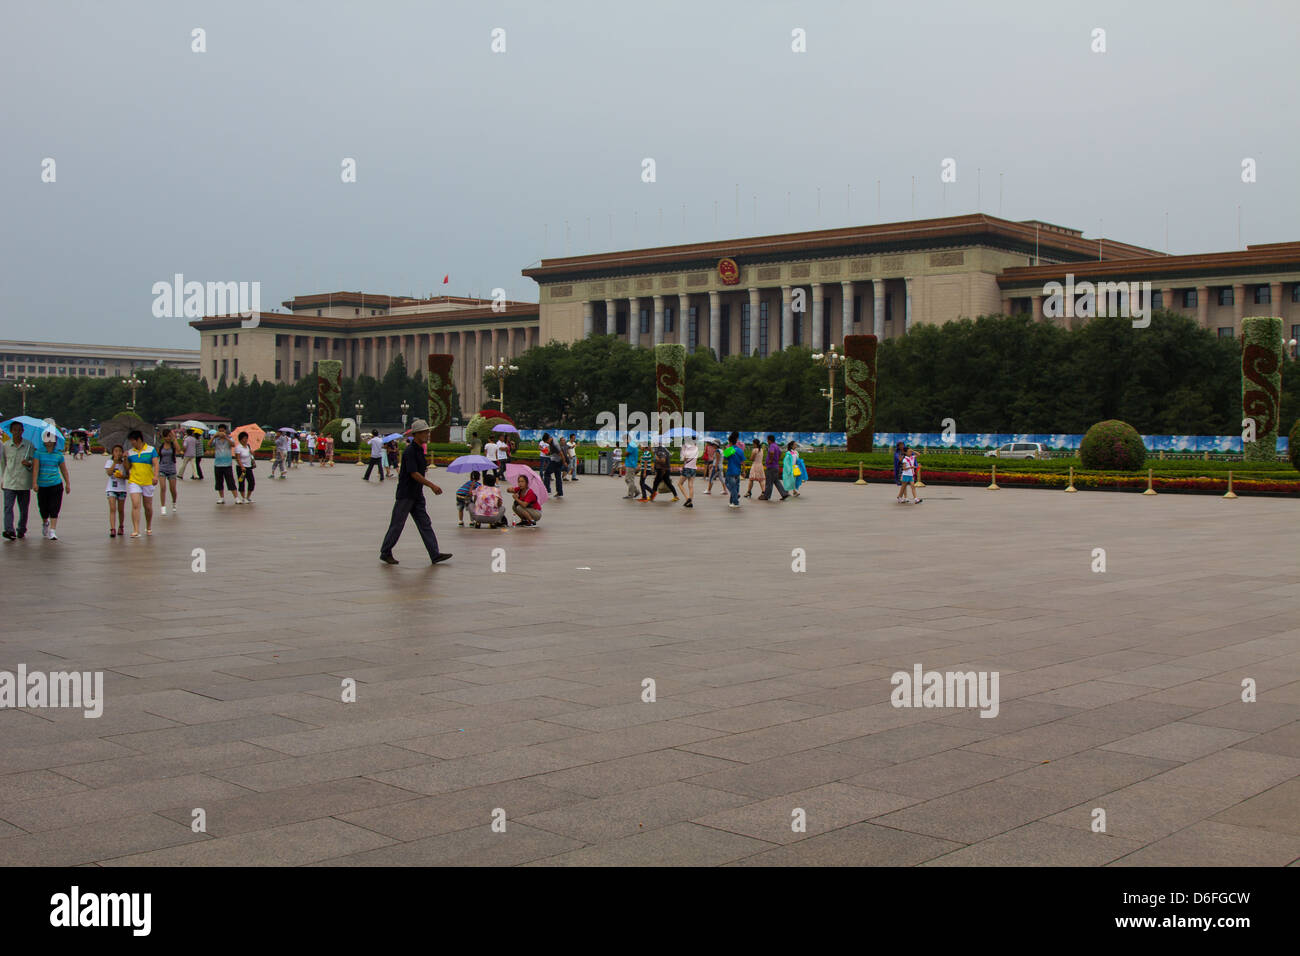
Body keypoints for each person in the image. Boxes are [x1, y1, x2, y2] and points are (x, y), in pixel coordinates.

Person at [379, 418, 451, 565]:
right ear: (416, 434)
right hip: (406, 494)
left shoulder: (419, 450)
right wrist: (431, 485)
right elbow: (414, 473)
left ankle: (434, 554)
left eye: (427, 432)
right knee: (397, 524)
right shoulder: (410, 451)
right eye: (425, 432)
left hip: (417, 494)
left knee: (425, 523)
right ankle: (385, 552)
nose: (427, 434)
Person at [0, 421, 36, 540]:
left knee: (24, 509)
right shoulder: (6, 446)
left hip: (24, 482)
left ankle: (21, 528)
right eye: (15, 430)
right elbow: (3, 463)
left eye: (19, 430)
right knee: (8, 507)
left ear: (23, 431)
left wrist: (28, 463)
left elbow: (34, 465)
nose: (17, 432)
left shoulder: (29, 446)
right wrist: (2, 478)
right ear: (11, 431)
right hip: (9, 481)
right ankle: (9, 530)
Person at [34, 428, 70, 541]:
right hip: (42, 485)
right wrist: (34, 482)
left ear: (55, 440)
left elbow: (64, 470)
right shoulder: (38, 452)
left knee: (54, 507)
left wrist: (68, 483)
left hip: (55, 484)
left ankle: (53, 530)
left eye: (51, 438)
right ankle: (45, 522)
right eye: (47, 438)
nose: (49, 441)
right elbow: (36, 469)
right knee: (43, 508)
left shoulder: (58, 454)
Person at [125, 429, 158, 536]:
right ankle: (136, 530)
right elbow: (127, 468)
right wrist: (125, 458)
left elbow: (156, 464)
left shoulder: (151, 450)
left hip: (148, 481)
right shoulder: (130, 452)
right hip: (134, 481)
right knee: (135, 504)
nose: (131, 443)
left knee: (148, 506)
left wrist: (156, 476)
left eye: (132, 441)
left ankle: (148, 526)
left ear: (138, 439)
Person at [105, 444, 128, 538]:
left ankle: (121, 526)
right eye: (115, 451)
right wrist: (114, 462)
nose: (118, 453)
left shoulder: (124, 463)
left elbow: (128, 475)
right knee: (112, 509)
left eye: (119, 451)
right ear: (112, 452)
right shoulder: (109, 462)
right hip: (111, 488)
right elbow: (109, 473)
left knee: (121, 510)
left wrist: (123, 476)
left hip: (122, 488)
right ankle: (112, 528)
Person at [758, 434, 789, 501]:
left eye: (767, 440)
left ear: (769, 440)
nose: (767, 441)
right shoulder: (776, 446)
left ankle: (766, 496)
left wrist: (771, 460)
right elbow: (780, 453)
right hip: (776, 466)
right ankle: (784, 494)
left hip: (771, 467)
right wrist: (776, 459)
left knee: (769, 482)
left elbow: (772, 452)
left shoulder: (771, 446)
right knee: (776, 481)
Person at [156, 428, 180, 515]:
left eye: (169, 436)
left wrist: (174, 439)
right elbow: (156, 456)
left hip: (171, 469)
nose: (168, 438)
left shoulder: (173, 445)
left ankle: (174, 502)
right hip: (162, 468)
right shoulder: (161, 446)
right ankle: (163, 507)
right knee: (163, 488)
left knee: (172, 489)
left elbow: (179, 449)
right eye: (166, 436)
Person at [211, 424, 236, 504]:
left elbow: (233, 444)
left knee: (230, 481)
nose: (221, 432)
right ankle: (221, 497)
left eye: (223, 430)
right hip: (218, 464)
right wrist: (213, 437)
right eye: (220, 431)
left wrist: (225, 437)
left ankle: (236, 497)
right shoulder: (216, 439)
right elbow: (209, 445)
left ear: (225, 431)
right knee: (219, 481)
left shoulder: (229, 438)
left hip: (227, 464)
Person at [721, 431, 745, 508]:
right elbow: (743, 461)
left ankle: (736, 502)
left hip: (731, 470)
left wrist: (726, 451)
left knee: (729, 485)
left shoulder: (729, 449)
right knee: (736, 486)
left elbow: (725, 458)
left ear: (730, 442)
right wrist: (744, 471)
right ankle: (731, 501)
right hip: (738, 471)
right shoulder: (740, 450)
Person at [234, 431, 257, 503]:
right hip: (241, 468)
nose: (246, 439)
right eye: (244, 438)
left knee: (252, 482)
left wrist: (252, 454)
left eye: (247, 438)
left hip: (249, 467)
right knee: (241, 483)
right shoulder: (238, 447)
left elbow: (251, 456)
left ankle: (248, 497)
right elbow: (237, 458)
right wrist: (242, 466)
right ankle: (243, 498)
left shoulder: (248, 446)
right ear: (240, 439)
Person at [678, 438, 698, 508]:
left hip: (687, 468)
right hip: (694, 468)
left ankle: (687, 499)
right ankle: (690, 502)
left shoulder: (687, 448)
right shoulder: (696, 448)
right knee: (691, 485)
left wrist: (682, 450)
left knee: (679, 484)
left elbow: (684, 458)